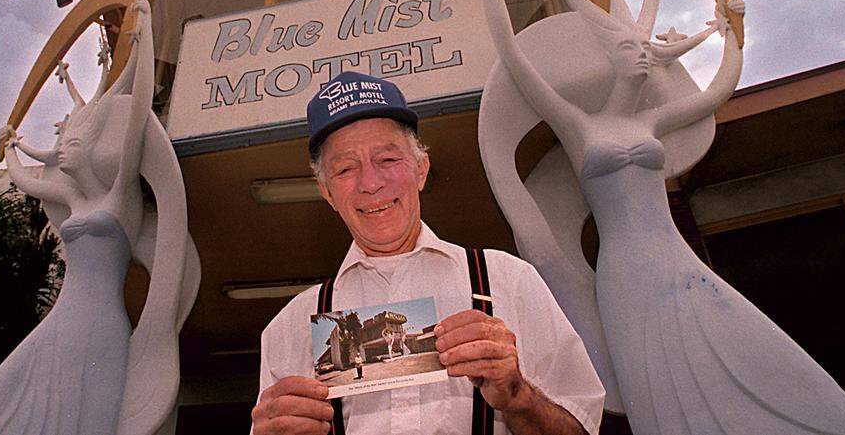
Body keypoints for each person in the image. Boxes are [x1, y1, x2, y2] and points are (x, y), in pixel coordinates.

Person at [480, 0, 845, 434]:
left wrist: (731, 31)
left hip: (677, 260)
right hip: (625, 274)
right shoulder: (579, 124)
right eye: (624, 48)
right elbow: (517, 61)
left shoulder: (651, 122)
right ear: (610, 59)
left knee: (757, 353)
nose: (637, 53)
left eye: (642, 47)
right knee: (659, 391)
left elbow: (717, 91)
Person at [251, 71, 605, 435]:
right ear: (326, 192)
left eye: (388, 160)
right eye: (345, 168)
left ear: (421, 169)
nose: (370, 183)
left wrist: (518, 396)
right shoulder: (289, 327)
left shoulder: (508, 280)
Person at [0, 0, 200, 435]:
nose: (65, 152)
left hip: (100, 327)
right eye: (65, 146)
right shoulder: (70, 195)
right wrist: (10, 145)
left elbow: (137, 109)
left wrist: (143, 37)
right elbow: (25, 180)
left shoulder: (119, 193)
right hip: (61, 320)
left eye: (74, 145)